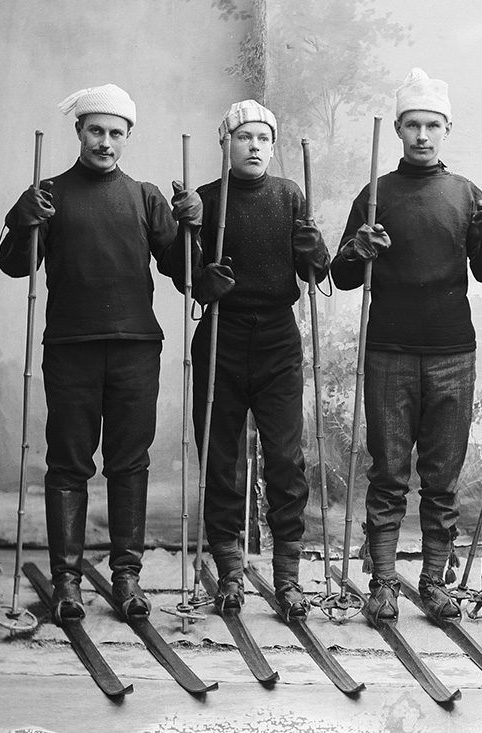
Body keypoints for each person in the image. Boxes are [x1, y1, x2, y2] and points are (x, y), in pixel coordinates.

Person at [0, 84, 201, 624]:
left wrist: (191, 227)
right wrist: (22, 218)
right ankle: (66, 581)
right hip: (70, 348)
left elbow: (188, 275)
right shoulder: (48, 194)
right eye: (95, 131)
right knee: (68, 463)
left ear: (128, 137)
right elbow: (13, 265)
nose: (104, 142)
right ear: (79, 133)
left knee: (130, 462)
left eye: (115, 133)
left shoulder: (146, 196)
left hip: (136, 347)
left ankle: (126, 577)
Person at [330, 69, 482, 625]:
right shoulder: (376, 194)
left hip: (454, 350)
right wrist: (359, 247)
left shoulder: (466, 194)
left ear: (447, 129)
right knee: (388, 471)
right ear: (399, 131)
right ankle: (383, 581)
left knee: (442, 475)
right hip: (389, 351)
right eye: (412, 126)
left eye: (432, 125)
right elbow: (341, 277)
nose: (422, 136)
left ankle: (433, 581)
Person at [177, 99, 329, 619]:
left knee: (286, 458)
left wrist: (315, 251)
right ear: (226, 145)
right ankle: (230, 573)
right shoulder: (205, 200)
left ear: (273, 145)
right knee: (222, 458)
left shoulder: (289, 196)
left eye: (263, 138)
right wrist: (199, 270)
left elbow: (317, 273)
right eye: (244, 137)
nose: (255, 146)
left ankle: (288, 578)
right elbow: (182, 275)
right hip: (221, 334)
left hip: (277, 340)